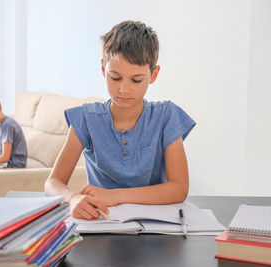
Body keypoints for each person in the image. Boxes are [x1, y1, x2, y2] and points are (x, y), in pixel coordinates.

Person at [44, 20, 196, 220]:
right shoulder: (86, 118)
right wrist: (72, 198)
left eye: (136, 80)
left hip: (156, 230)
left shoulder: (166, 116)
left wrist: (115, 196)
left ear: (154, 74)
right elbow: (52, 183)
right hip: (101, 223)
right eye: (115, 78)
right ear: (103, 68)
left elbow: (179, 189)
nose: (124, 89)